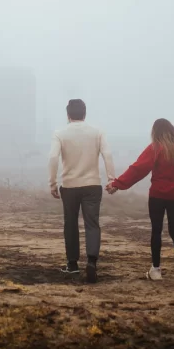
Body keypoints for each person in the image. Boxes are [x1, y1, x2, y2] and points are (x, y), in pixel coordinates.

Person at [107, 119, 174, 285]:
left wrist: (118, 184)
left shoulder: (156, 148)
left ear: (155, 132)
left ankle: (155, 270)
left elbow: (138, 169)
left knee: (156, 231)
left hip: (158, 196)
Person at [48, 98, 115, 283]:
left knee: (70, 224)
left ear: (68, 115)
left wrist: (52, 183)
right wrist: (111, 179)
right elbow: (107, 154)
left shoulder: (60, 133)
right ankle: (92, 262)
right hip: (92, 185)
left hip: (69, 186)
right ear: (84, 114)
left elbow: (53, 157)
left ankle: (72, 265)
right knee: (92, 223)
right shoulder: (97, 132)